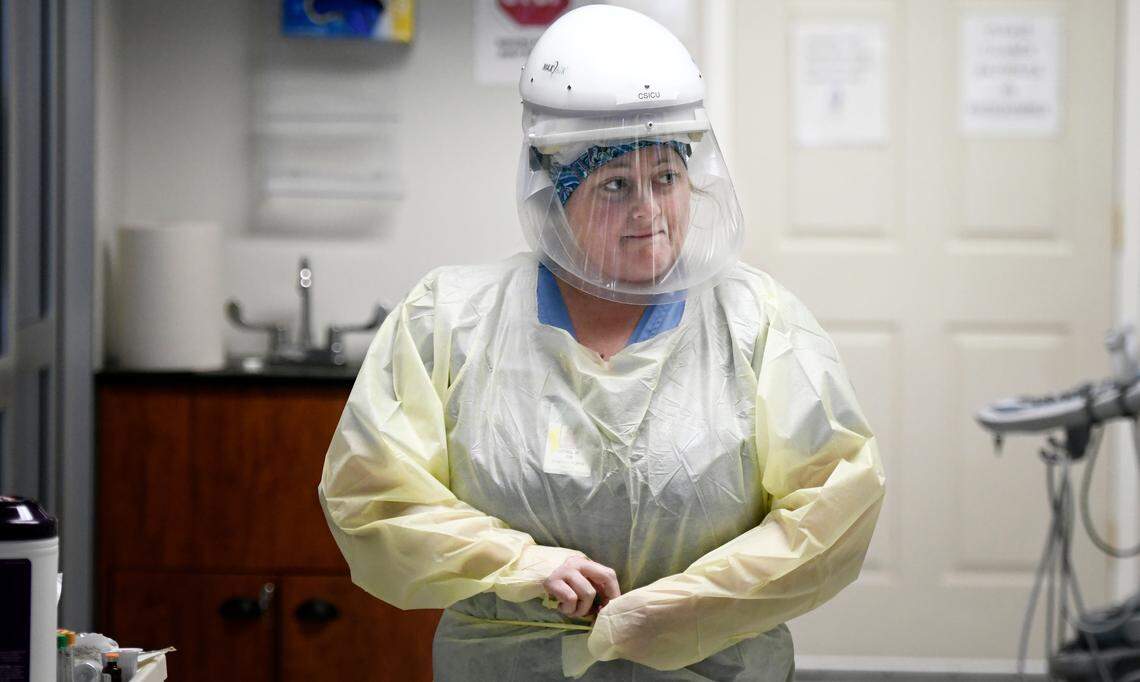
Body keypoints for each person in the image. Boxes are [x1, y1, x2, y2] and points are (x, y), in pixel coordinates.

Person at [318, 5, 886, 680]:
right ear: (554, 197)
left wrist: (687, 605)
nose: (649, 210)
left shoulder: (759, 322)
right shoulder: (449, 320)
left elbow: (834, 506)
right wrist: (521, 564)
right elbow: (373, 497)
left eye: (666, 178)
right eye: (615, 185)